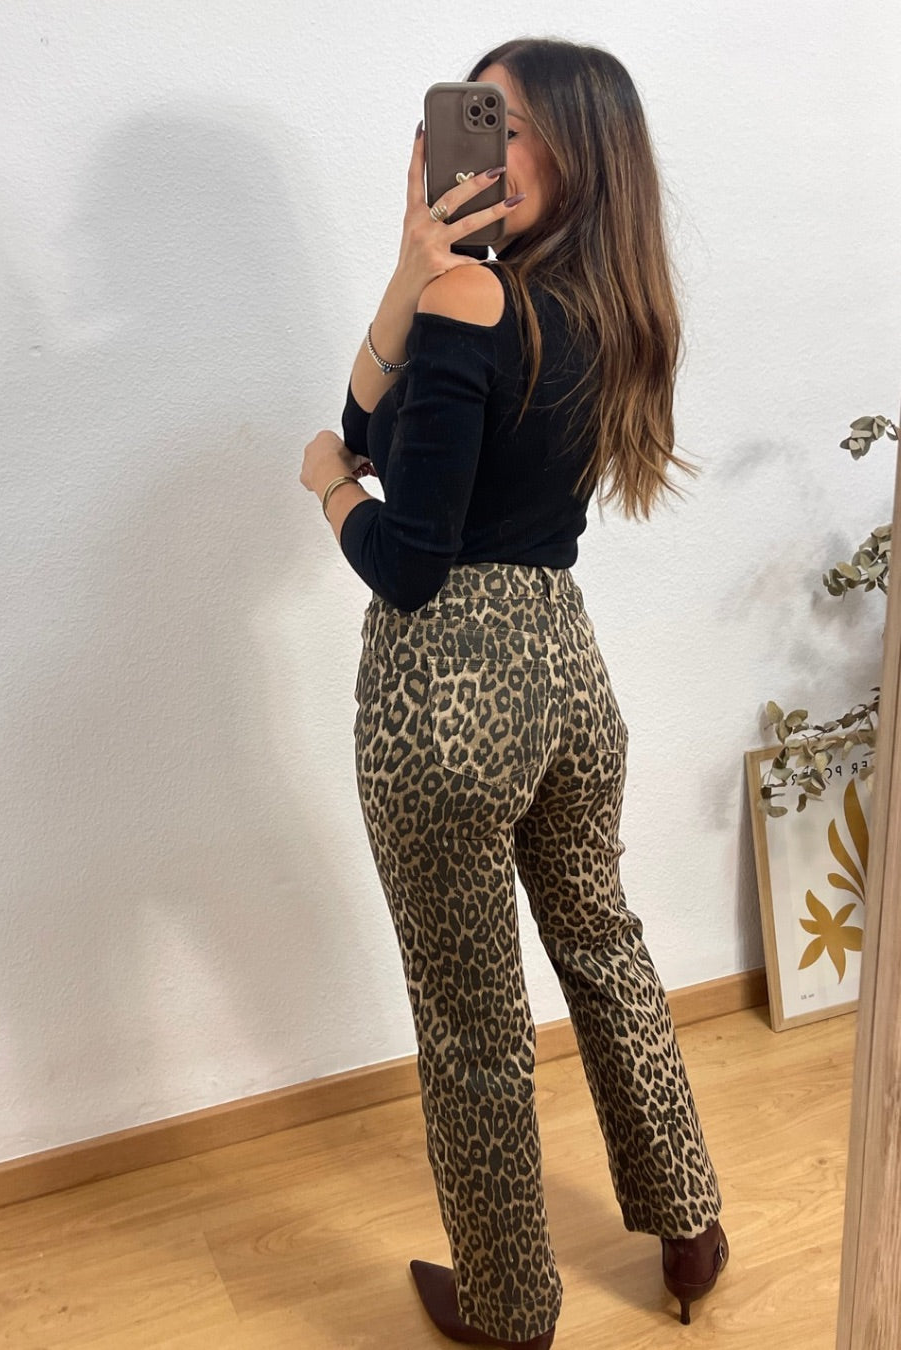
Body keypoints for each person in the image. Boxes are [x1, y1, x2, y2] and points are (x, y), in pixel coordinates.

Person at [299, 36, 728, 1348]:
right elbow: (381, 417)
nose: (488, 145)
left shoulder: (474, 301)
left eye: (516, 125)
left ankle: (507, 1303)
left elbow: (403, 546)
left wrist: (330, 491)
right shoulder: (609, 310)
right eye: (478, 116)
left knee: (473, 1024)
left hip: (450, 694)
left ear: (582, 154)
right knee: (605, 944)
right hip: (568, 672)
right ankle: (690, 1223)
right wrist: (408, 271)